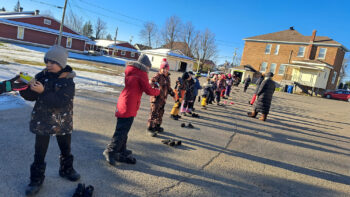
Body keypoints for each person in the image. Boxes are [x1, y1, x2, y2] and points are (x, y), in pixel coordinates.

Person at [19, 45, 80, 196]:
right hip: (43, 121)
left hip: (62, 121)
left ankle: (66, 169)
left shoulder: (68, 81)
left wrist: (43, 91)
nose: (48, 65)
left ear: (62, 64)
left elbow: (60, 101)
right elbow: (32, 96)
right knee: (39, 152)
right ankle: (36, 179)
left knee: (65, 147)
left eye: (53, 62)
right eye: (47, 61)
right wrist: (25, 88)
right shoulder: (42, 76)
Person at [103, 54, 160, 165]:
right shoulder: (141, 73)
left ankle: (121, 149)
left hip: (125, 101)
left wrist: (149, 84)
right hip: (129, 104)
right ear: (145, 66)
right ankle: (110, 151)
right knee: (122, 130)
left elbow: (139, 85)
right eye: (148, 68)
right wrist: (157, 90)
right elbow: (148, 90)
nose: (148, 70)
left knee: (124, 129)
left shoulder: (132, 70)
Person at [147, 58, 175, 137]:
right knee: (154, 113)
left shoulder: (167, 78)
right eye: (163, 69)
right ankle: (150, 128)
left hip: (163, 99)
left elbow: (168, 88)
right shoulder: (158, 75)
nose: (164, 70)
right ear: (160, 69)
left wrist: (173, 94)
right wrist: (154, 85)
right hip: (156, 98)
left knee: (160, 113)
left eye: (166, 69)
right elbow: (152, 81)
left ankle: (157, 126)